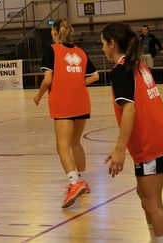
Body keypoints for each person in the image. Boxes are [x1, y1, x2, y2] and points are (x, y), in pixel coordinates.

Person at [101, 22, 163, 243]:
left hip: (151, 144)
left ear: (112, 43)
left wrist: (119, 149)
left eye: (103, 44)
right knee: (145, 198)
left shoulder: (121, 71)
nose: (103, 49)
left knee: (153, 204)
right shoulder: (136, 65)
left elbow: (129, 109)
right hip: (158, 139)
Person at [34, 19, 99, 208]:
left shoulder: (52, 50)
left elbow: (47, 80)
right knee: (75, 143)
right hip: (81, 102)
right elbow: (95, 76)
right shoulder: (80, 52)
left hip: (63, 103)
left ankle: (73, 182)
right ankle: (82, 181)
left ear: (55, 33)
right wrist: (79, 84)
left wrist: (38, 96)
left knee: (62, 146)